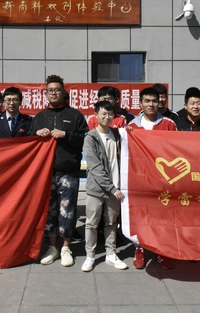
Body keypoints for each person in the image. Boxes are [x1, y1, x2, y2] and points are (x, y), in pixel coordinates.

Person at [29, 75, 88, 267]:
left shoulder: (75, 115)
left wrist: (66, 134)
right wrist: (36, 134)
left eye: (57, 90)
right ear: (46, 94)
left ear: (64, 92)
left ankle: (66, 247)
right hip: (46, 173)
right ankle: (52, 247)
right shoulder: (40, 117)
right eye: (50, 90)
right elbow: (28, 142)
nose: (54, 93)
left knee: (68, 210)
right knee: (50, 211)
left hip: (68, 172)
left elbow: (85, 139)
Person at [126, 87, 177, 270]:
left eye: (154, 101)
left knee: (162, 217)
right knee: (140, 216)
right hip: (140, 179)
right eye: (147, 101)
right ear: (140, 103)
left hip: (163, 180)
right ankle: (139, 249)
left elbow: (176, 150)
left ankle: (161, 251)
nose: (151, 104)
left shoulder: (169, 124)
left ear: (160, 102)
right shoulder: (132, 126)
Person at [81, 100, 127, 272]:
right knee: (92, 224)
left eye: (110, 114)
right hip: (98, 190)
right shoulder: (90, 138)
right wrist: (112, 188)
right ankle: (90, 256)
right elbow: (95, 167)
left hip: (115, 188)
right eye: (104, 114)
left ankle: (111, 254)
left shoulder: (117, 134)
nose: (107, 117)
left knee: (111, 223)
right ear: (96, 116)